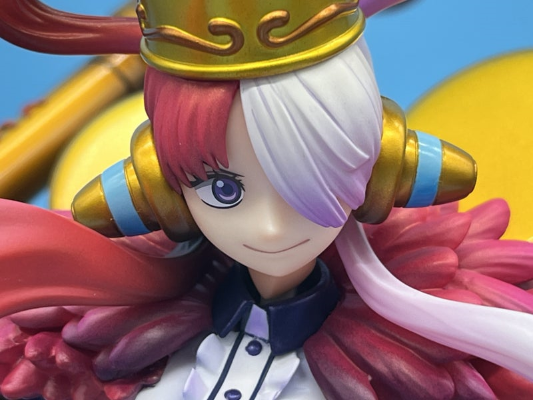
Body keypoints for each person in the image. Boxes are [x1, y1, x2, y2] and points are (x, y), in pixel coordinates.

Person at [0, 1, 532, 399]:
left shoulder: (416, 356)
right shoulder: (126, 344)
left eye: (313, 179)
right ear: (160, 191)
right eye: (223, 190)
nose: (272, 228)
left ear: (384, 173)